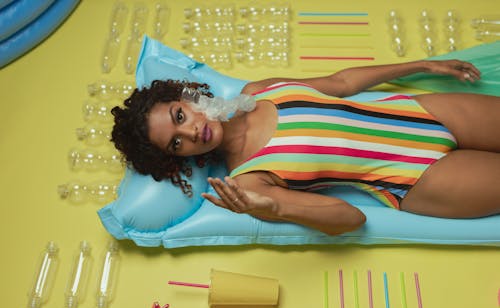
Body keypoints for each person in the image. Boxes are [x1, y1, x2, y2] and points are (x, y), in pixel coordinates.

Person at [111, 59, 500, 236]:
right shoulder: (247, 183)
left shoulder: (258, 92)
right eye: (176, 144)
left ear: (187, 97)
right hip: (419, 177)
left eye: (180, 116)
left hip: (421, 111)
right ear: (178, 159)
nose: (192, 133)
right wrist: (274, 208)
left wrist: (424, 66)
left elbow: (342, 81)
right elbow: (351, 219)